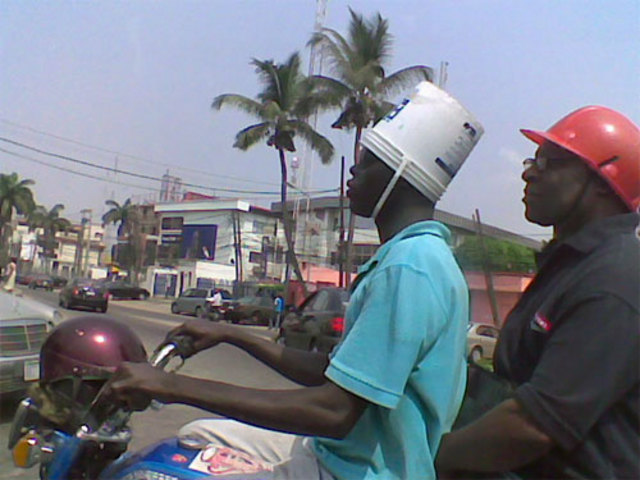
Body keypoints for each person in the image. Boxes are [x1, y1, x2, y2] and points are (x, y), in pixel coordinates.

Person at [107, 82, 484, 479]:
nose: (354, 169)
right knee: (194, 436)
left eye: (369, 161)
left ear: (400, 177)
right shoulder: (414, 256)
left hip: (357, 471)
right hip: (340, 455)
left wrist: (171, 388)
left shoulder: (409, 269)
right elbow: (336, 374)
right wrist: (230, 335)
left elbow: (334, 412)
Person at [436, 106, 640, 479]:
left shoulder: (616, 279)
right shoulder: (571, 265)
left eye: (550, 163)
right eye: (534, 159)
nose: (529, 172)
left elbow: (533, 425)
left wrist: (431, 457)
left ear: (601, 180)